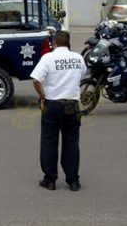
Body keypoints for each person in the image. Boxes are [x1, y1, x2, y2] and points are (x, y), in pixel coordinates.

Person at [30, 31, 87, 192]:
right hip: (72, 104)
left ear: (54, 43)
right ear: (68, 43)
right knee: (72, 142)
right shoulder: (78, 58)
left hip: (52, 104)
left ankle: (50, 180)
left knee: (49, 142)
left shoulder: (48, 58)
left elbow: (36, 80)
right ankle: (73, 180)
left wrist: (42, 95)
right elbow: (82, 74)